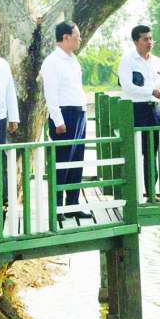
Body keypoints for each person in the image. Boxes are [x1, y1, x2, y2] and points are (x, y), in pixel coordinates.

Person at [117, 25, 160, 196]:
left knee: (152, 152)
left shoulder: (156, 61)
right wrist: (151, 91)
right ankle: (134, 194)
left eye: (151, 38)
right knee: (135, 152)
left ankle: (151, 192)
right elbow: (127, 86)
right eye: (145, 39)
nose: (149, 42)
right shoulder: (128, 61)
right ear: (136, 41)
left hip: (154, 110)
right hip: (135, 110)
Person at [40, 21, 91, 220]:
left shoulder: (73, 60)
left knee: (76, 161)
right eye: (77, 36)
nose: (80, 39)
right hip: (64, 114)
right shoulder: (52, 61)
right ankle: (57, 207)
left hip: (79, 113)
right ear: (65, 37)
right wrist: (58, 120)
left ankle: (72, 205)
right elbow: (50, 93)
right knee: (61, 162)